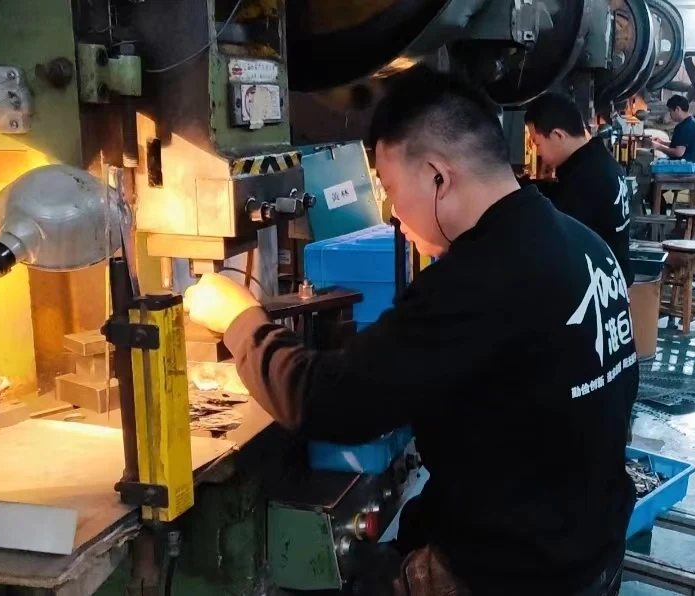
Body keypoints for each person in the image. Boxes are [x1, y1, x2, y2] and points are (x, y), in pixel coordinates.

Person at [183, 68, 637, 596]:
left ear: (437, 176)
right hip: (591, 548)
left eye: (393, 190)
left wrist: (240, 320)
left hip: (518, 572)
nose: (396, 216)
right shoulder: (584, 244)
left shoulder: (482, 276)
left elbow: (328, 403)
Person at [524, 93, 634, 287]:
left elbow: (557, 243)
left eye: (537, 144)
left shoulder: (585, 177)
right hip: (616, 273)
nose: (539, 153)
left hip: (601, 286)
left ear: (558, 135)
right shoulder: (600, 161)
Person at [651, 95, 695, 163]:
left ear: (677, 109)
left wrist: (658, 147)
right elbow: (680, 144)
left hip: (682, 167)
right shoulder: (691, 124)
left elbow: (678, 152)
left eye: (670, 111)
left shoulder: (685, 127)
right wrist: (662, 142)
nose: (670, 114)